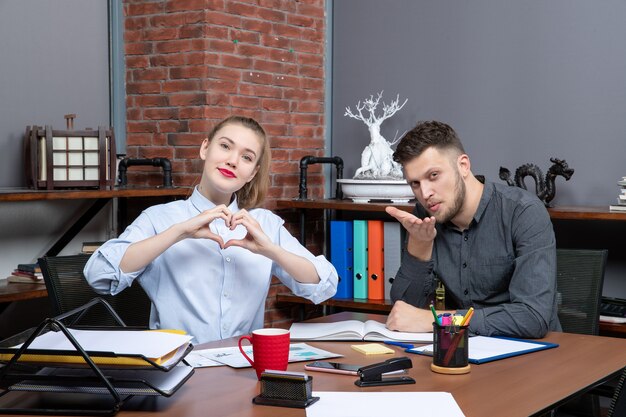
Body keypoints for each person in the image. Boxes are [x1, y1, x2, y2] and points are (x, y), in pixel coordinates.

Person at [84, 116, 338, 344]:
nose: (232, 161)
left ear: (253, 173)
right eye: (225, 146)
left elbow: (324, 284)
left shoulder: (264, 224)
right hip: (179, 372)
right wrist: (179, 233)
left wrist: (270, 250)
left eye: (247, 157)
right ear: (205, 148)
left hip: (244, 371)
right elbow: (98, 275)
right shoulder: (160, 219)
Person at [384, 120, 561, 338]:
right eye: (415, 183)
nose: (425, 193)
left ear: (463, 166)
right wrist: (420, 246)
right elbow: (404, 314)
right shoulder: (427, 216)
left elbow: (532, 317)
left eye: (433, 176)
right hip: (464, 352)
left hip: (536, 357)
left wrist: (439, 319)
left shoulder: (523, 211)